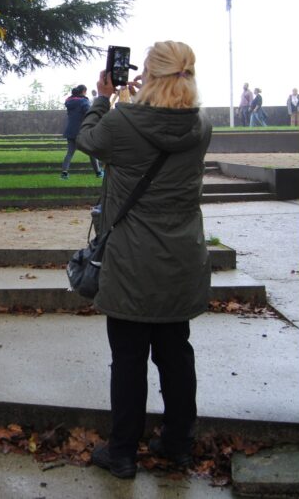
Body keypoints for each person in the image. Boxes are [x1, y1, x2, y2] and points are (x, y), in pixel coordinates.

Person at [76, 41, 212, 480]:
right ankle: (178, 445)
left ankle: (122, 454)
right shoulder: (201, 126)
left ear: (149, 75)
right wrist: (134, 101)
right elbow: (159, 130)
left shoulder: (121, 121)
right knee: (176, 355)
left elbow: (88, 139)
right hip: (181, 259)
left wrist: (105, 96)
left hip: (132, 262)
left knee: (129, 360)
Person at [60, 84, 102, 180]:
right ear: (83, 91)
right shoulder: (83, 101)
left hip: (70, 130)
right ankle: (98, 173)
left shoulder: (69, 102)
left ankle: (64, 173)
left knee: (70, 153)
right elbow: (89, 113)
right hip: (82, 131)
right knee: (91, 151)